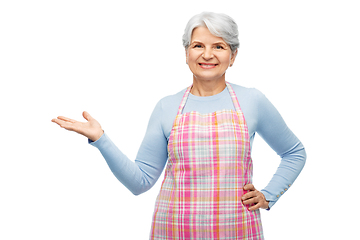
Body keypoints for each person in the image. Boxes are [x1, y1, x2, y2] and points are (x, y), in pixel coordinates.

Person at [52, 12, 306, 240]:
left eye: (219, 46)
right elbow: (140, 182)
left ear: (233, 56)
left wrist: (269, 195)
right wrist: (101, 139)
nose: (207, 54)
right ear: (186, 53)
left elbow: (294, 153)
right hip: (173, 231)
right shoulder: (167, 107)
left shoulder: (253, 101)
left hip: (236, 230)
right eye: (198, 46)